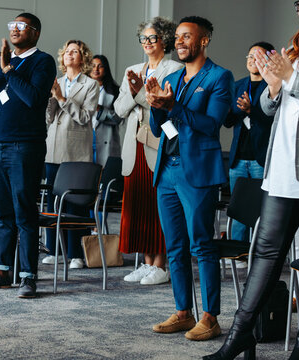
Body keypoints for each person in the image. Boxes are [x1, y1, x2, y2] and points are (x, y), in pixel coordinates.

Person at [205, 0, 299, 359]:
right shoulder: (297, 51)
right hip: (283, 167)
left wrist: (290, 77)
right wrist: (274, 86)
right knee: (264, 251)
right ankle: (240, 335)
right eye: (298, 3)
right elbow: (269, 108)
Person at [146, 16, 233, 341]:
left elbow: (211, 125)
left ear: (204, 40)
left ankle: (209, 317)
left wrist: (174, 106)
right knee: (175, 246)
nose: (179, 41)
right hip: (167, 169)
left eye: (187, 36)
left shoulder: (219, 77)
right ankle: (183, 312)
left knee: (202, 244)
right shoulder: (176, 76)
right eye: (178, 37)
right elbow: (159, 128)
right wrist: (155, 103)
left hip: (197, 172)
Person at [0, 13, 56, 298]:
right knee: (2, 212)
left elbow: (32, 98)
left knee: (24, 212)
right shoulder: (2, 62)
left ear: (35, 32)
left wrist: (7, 70)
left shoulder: (42, 62)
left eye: (21, 26)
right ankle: (2, 271)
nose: (15, 30)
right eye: (12, 26)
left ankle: (28, 276)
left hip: (25, 146)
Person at [114, 16, 182, 286]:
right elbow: (119, 109)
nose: (147, 43)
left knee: (158, 207)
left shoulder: (175, 68)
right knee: (138, 205)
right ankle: (145, 262)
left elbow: (164, 106)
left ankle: (161, 265)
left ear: (164, 40)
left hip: (159, 142)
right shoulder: (133, 68)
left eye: (153, 38)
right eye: (143, 38)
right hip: (134, 145)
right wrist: (134, 93)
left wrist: (139, 92)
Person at [41, 39, 99, 269]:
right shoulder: (58, 81)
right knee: (53, 202)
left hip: (75, 153)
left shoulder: (90, 85)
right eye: (67, 52)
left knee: (75, 204)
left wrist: (63, 98)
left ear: (83, 57)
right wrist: (52, 97)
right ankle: (54, 250)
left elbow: (85, 117)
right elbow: (48, 118)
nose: (70, 55)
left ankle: (77, 253)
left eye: (75, 51)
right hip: (53, 151)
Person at [224, 42, 275, 243]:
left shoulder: (273, 86)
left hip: (260, 158)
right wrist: (227, 111)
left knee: (260, 210)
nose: (253, 60)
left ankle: (257, 253)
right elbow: (228, 122)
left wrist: (250, 110)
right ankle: (239, 254)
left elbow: (273, 120)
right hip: (238, 158)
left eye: (258, 56)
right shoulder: (237, 85)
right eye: (250, 56)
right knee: (238, 210)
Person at [90, 55, 122, 166]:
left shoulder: (115, 90)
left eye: (100, 66)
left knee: (102, 177)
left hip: (106, 139)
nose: (96, 69)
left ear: (106, 69)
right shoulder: (81, 87)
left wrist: (100, 110)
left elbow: (118, 118)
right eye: (93, 66)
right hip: (87, 138)